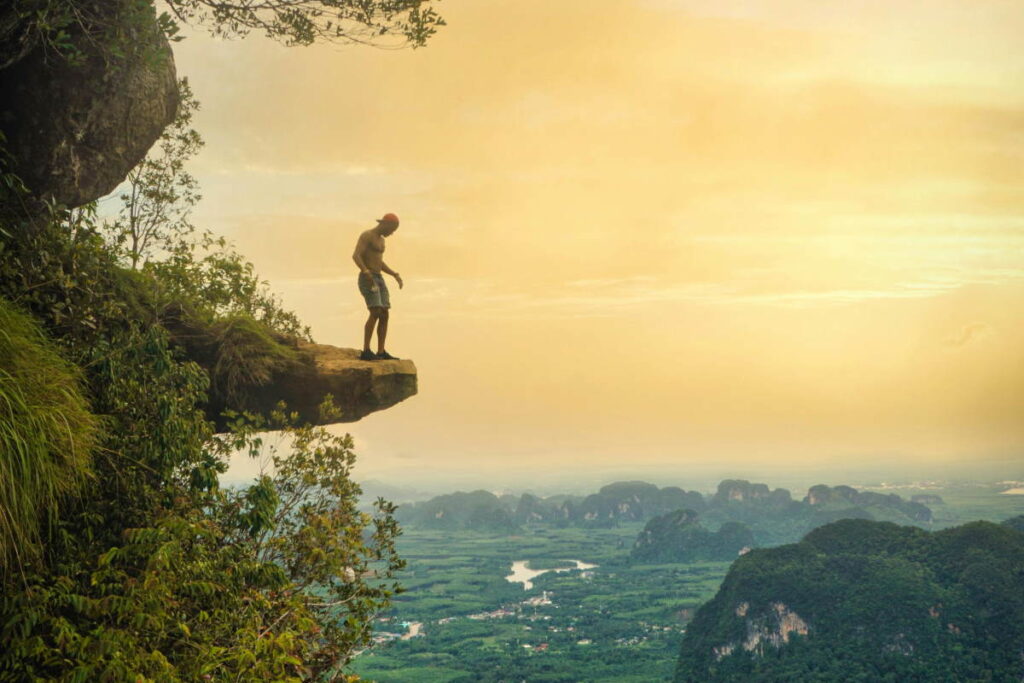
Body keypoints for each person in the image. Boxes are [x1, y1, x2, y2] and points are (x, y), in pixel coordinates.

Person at [352, 213, 404, 360]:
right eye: (392, 229)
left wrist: (394, 274)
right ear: (385, 224)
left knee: (385, 313)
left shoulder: (381, 240)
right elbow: (356, 255)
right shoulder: (367, 235)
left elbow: (379, 262)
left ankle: (381, 351)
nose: (391, 233)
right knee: (375, 311)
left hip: (379, 278)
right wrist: (365, 270)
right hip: (367, 278)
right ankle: (366, 351)